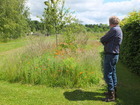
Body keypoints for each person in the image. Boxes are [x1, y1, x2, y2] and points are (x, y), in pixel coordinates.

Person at [100, 16, 123, 102]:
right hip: (114, 54)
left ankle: (111, 96)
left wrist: (106, 42)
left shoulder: (114, 30)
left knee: (108, 74)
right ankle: (113, 92)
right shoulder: (119, 29)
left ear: (110, 23)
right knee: (112, 73)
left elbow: (103, 39)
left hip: (110, 54)